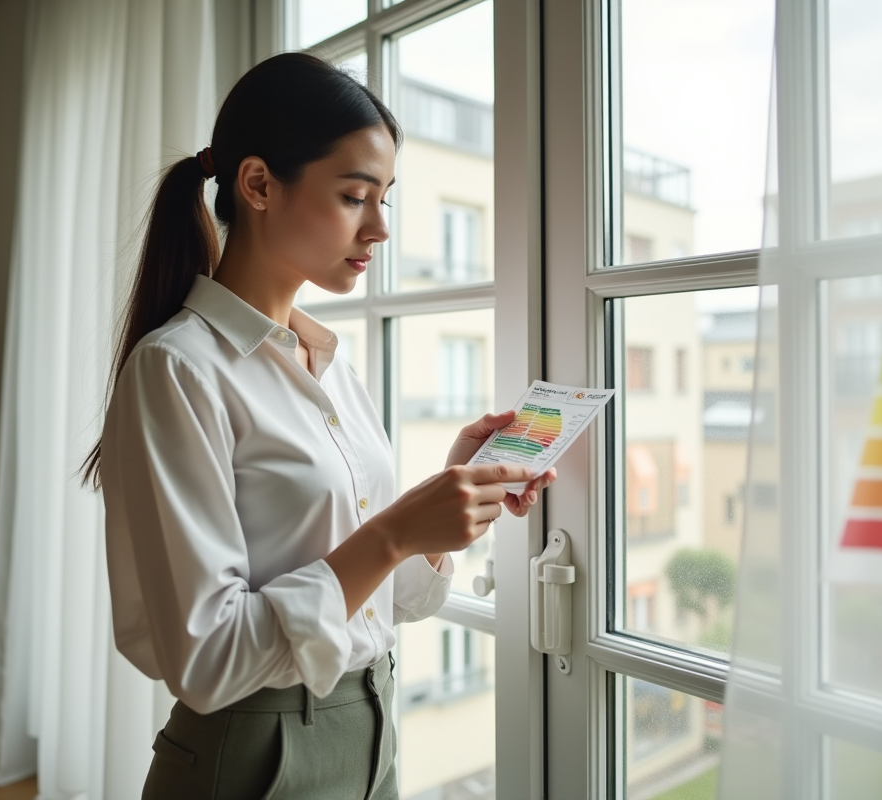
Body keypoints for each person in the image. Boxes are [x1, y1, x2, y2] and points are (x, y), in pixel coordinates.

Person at [84, 52, 555, 800]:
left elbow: (397, 600)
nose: (380, 229)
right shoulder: (176, 370)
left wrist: (439, 503)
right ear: (259, 184)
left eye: (385, 200)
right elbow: (208, 661)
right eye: (354, 196)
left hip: (373, 733)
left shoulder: (330, 364)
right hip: (254, 755)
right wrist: (395, 531)